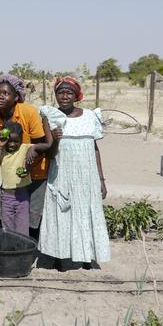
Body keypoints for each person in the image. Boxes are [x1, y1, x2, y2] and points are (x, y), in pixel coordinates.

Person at [38, 78, 110, 269]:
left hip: (87, 176)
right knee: (61, 212)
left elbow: (95, 149)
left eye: (69, 92)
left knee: (86, 213)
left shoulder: (90, 116)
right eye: (61, 92)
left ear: (76, 96)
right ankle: (60, 257)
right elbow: (51, 154)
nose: (64, 96)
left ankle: (86, 257)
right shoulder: (50, 116)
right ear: (55, 95)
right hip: (62, 173)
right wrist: (56, 139)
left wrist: (101, 180)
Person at [0, 74, 50, 240]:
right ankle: (5, 251)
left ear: (17, 96)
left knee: (31, 221)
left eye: (6, 93)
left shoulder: (28, 111)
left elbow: (40, 145)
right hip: (11, 176)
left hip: (36, 173)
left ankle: (25, 254)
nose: (0, 96)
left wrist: (28, 166)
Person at [0, 122, 49, 236]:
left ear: (22, 139)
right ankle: (11, 251)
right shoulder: (2, 152)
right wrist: (0, 147)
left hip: (22, 197)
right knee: (8, 228)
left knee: (22, 228)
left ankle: (21, 252)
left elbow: (47, 145)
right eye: (9, 141)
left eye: (16, 141)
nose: (12, 144)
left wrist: (34, 148)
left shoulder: (24, 148)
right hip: (6, 197)